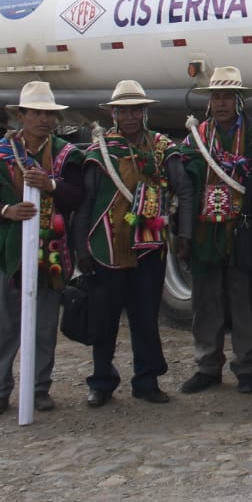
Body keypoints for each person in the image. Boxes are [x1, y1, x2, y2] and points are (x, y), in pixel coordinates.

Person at [0, 81, 86, 417]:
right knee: (2, 320)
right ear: (21, 115)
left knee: (44, 322)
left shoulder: (66, 155)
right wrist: (7, 212)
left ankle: (38, 388)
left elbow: (78, 195)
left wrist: (50, 185)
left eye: (49, 114)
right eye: (36, 113)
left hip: (50, 249)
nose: (43, 120)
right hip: (6, 249)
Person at [75, 80, 191, 407]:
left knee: (144, 316)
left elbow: (182, 190)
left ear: (144, 112)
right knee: (105, 318)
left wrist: (185, 235)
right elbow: (86, 203)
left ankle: (147, 379)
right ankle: (101, 381)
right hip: (107, 246)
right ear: (114, 113)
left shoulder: (161, 148)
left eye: (135, 110)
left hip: (150, 246)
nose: (129, 117)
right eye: (123, 110)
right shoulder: (101, 153)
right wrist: (82, 248)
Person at [176, 67, 252, 395]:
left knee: (244, 300)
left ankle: (246, 366)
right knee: (206, 301)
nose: (220, 103)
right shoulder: (196, 137)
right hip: (206, 231)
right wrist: (183, 233)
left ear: (239, 102)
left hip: (242, 230)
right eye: (215, 97)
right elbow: (183, 186)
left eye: (226, 97)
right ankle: (207, 365)